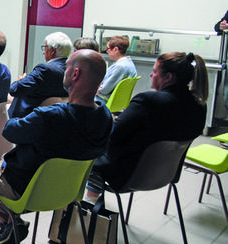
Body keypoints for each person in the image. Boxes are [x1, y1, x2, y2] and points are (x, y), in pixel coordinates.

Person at [0, 49, 112, 244]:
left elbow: (10, 131)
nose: (63, 71)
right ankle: (11, 220)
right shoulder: (104, 115)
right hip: (66, 193)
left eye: (67, 67)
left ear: (75, 74)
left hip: (21, 188)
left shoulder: (50, 115)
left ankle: (8, 219)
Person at [87, 51, 208, 199]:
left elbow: (113, 136)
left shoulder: (148, 101)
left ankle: (86, 203)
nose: (151, 75)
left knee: (81, 146)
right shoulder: (199, 105)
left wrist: (113, 120)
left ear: (168, 77)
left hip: (125, 173)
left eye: (155, 71)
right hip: (165, 174)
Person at [7, 31, 72, 119]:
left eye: (45, 48)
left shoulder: (45, 69)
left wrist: (20, 81)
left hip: (27, 119)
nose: (44, 52)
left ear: (53, 50)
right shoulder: (71, 70)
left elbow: (14, 89)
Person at [97, 35, 137, 102]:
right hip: (117, 101)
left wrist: (95, 88)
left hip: (103, 100)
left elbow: (103, 90)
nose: (107, 52)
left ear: (116, 49)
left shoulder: (120, 67)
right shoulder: (129, 63)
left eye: (108, 49)